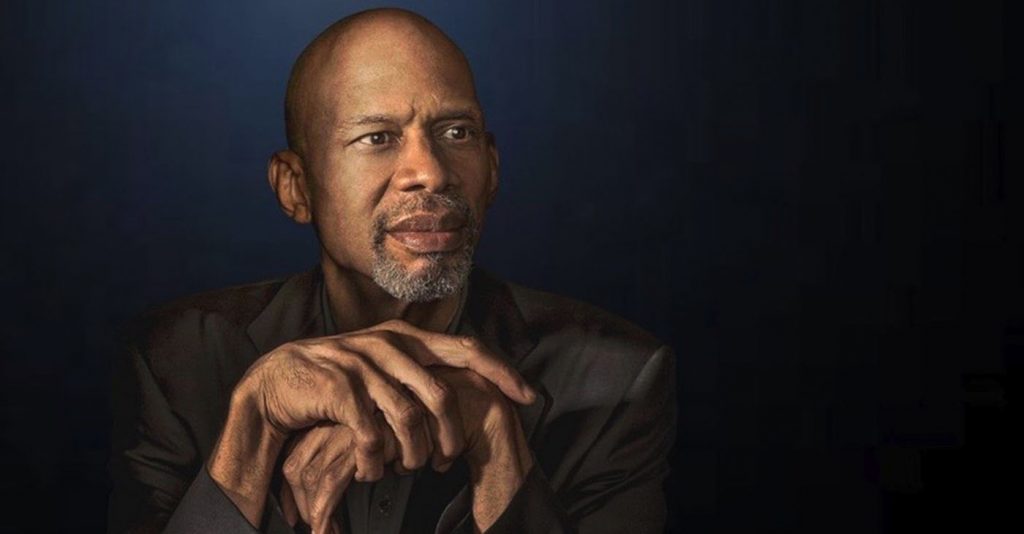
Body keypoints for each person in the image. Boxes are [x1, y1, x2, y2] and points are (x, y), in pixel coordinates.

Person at [108, 8, 676, 534]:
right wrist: (252, 428)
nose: (430, 172)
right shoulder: (174, 361)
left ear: (492, 170)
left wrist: (497, 443)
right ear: (295, 187)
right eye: (377, 138)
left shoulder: (617, 380)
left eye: (457, 132)